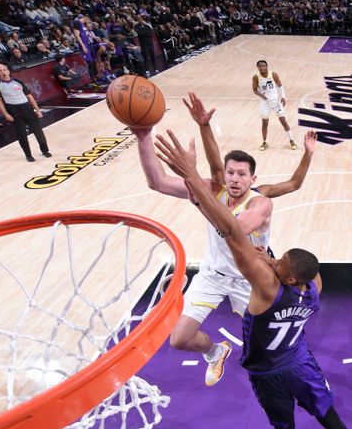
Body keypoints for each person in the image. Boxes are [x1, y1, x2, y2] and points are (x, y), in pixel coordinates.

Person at [153, 129, 352, 429]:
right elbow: (300, 268)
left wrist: (192, 178)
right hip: (298, 359)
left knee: (284, 427)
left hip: (266, 370)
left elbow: (235, 236)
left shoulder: (263, 292)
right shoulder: (312, 290)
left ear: (279, 277)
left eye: (277, 261)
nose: (271, 256)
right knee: (327, 415)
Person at [132, 92, 315, 386]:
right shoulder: (213, 188)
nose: (234, 178)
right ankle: (216, 351)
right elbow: (158, 182)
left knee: (270, 345)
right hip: (213, 275)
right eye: (231, 173)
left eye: (242, 174)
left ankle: (298, 366)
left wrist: (194, 190)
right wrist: (143, 136)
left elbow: (234, 228)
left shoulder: (260, 203)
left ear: (252, 180)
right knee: (179, 339)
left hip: (250, 280)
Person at [0, 62, 52, 162]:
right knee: (21, 135)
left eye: (4, 69)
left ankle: (45, 150)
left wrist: (37, 110)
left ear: (8, 70)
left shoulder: (18, 81)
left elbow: (30, 96)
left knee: (38, 132)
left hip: (27, 108)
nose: (2, 72)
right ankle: (28, 155)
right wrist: (6, 114)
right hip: (13, 111)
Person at [251, 60, 296, 151]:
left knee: (283, 122)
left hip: (276, 102)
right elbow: (255, 89)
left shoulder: (274, 75)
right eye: (260, 66)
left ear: (267, 66)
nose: (262, 67)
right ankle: (265, 142)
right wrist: (261, 95)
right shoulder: (256, 77)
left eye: (264, 66)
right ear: (258, 67)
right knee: (265, 124)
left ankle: (291, 140)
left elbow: (280, 86)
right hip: (265, 103)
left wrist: (283, 97)